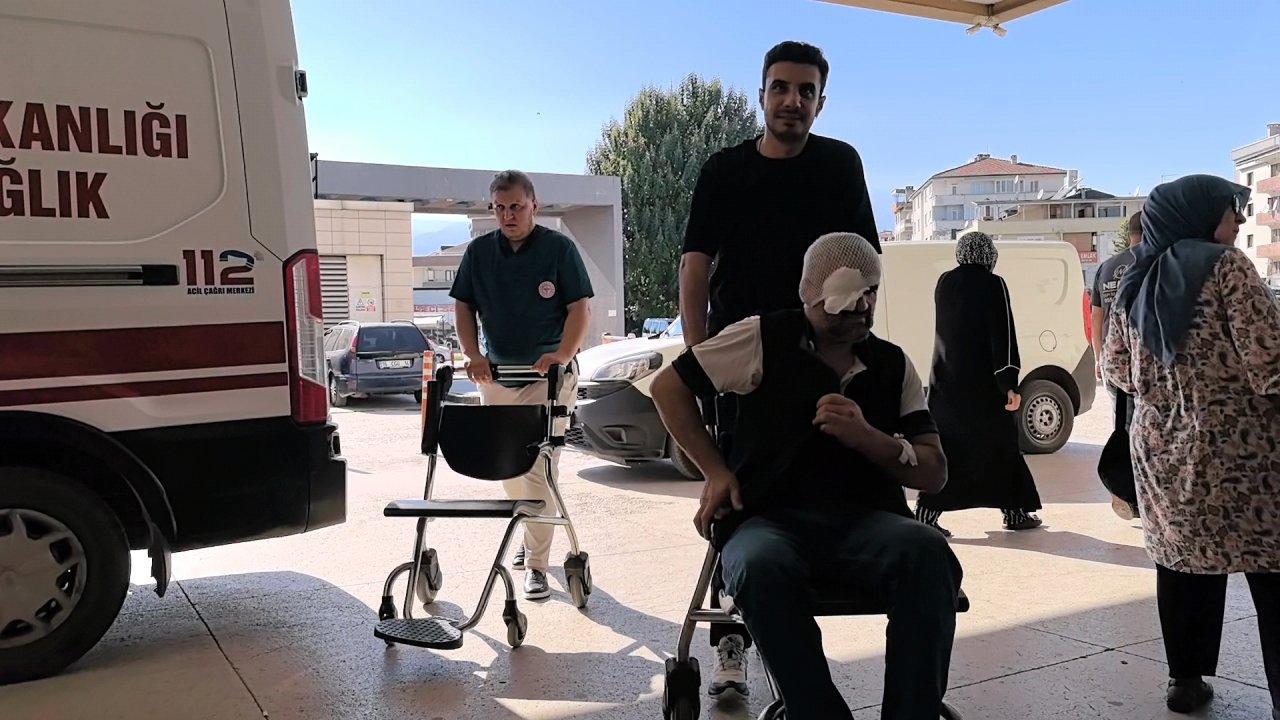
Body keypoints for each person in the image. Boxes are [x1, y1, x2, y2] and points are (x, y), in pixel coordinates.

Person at [653, 232, 962, 720]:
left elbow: (935, 471)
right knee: (759, 564)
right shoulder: (761, 338)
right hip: (768, 517)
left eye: (869, 297)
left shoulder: (890, 364)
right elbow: (668, 386)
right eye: (845, 303)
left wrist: (869, 438)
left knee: (929, 554)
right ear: (811, 297)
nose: (861, 312)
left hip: (867, 520)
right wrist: (715, 471)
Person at [677, 39, 880, 697]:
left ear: (821, 101)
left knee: (815, 497)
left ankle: (788, 633)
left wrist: (857, 351)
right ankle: (730, 644)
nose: (793, 100)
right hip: (739, 362)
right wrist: (698, 358)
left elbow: (865, 263)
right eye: (781, 88)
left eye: (806, 91)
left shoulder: (839, 164)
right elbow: (695, 266)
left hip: (817, 362)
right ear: (761, 94)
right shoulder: (724, 170)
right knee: (734, 500)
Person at [1101, 174, 1279, 716]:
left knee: (1182, 565)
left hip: (1162, 454)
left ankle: (1185, 680)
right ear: (1199, 214)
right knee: (1271, 571)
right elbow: (1269, 363)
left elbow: (1116, 371)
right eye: (1231, 209)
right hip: (1245, 455)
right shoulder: (1227, 267)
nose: (1240, 219)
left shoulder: (1135, 278)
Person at [450, 170, 594, 601]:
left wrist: (562, 354)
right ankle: (533, 533)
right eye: (499, 208)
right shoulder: (479, 253)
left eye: (515, 206)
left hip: (547, 378)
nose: (507, 215)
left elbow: (579, 309)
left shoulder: (558, 249)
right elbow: (463, 306)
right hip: (498, 376)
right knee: (507, 465)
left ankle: (536, 564)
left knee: (537, 467)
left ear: (534, 205)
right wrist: (472, 354)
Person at [914, 232, 1043, 536]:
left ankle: (926, 516)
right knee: (1001, 448)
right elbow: (1003, 334)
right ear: (989, 254)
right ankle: (1014, 513)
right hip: (983, 388)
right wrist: (1009, 383)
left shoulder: (945, 283)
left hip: (945, 386)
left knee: (950, 450)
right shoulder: (993, 284)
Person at [1090, 211, 1143, 519]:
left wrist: (1099, 357)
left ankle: (1122, 491)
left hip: (1112, 361)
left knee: (1120, 426)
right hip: (1140, 363)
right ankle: (1137, 493)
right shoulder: (1151, 262)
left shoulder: (1107, 267)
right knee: (1143, 430)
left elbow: (1096, 316)